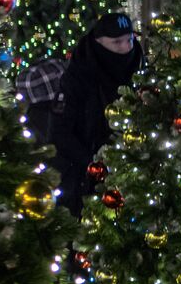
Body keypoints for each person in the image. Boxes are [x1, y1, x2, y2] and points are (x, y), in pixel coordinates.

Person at [34, 13, 141, 217]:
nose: (126, 48)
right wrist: (96, 164)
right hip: (86, 176)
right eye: (116, 42)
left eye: (129, 40)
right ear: (99, 42)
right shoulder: (78, 77)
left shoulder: (139, 69)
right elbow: (60, 133)